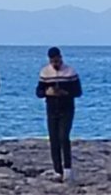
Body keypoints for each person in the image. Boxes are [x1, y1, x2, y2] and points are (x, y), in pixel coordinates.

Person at [35, 47, 82, 178]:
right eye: (53, 61)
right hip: (51, 108)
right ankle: (57, 170)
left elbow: (78, 92)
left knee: (63, 137)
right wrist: (46, 92)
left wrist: (65, 93)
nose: (56, 64)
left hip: (67, 108)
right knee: (53, 139)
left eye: (58, 61)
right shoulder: (45, 72)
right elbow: (38, 92)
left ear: (61, 58)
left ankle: (67, 168)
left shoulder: (70, 72)